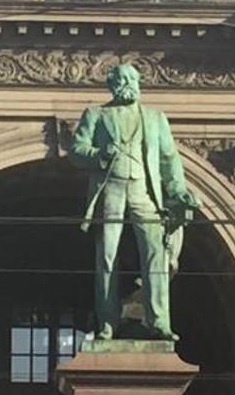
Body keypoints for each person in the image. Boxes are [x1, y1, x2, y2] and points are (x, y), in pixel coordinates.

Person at [70, 63, 199, 341]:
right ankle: (107, 323)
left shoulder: (155, 118)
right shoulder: (95, 114)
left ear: (138, 83)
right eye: (121, 79)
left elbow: (169, 160)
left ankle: (158, 321)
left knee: (155, 254)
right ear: (112, 84)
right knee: (107, 257)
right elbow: (77, 150)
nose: (127, 83)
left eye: (131, 78)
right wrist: (100, 154)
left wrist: (178, 191)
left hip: (144, 191)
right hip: (110, 190)